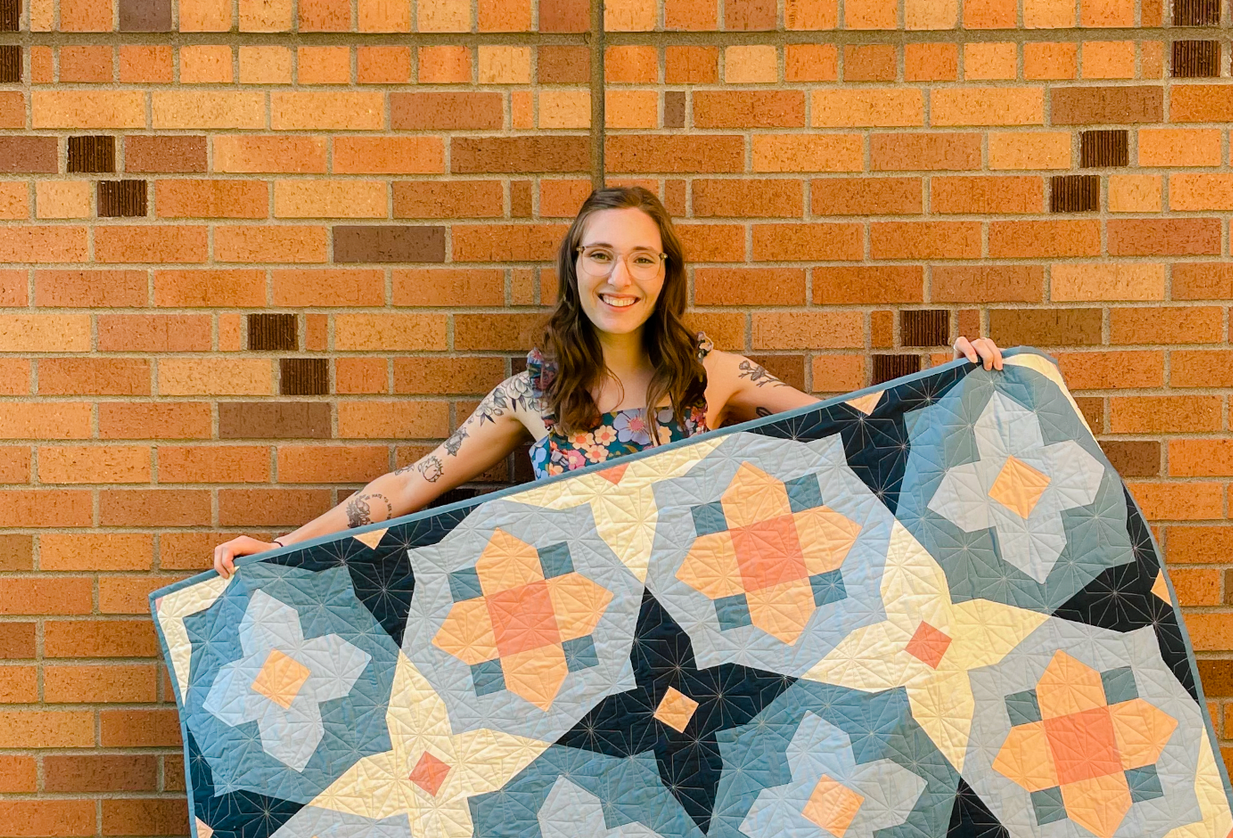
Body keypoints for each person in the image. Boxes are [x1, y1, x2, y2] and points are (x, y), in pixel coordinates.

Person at [213, 184, 1004, 576]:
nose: (618, 276)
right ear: (574, 268)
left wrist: (962, 381)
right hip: (572, 648)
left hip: (703, 632)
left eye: (640, 257)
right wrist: (280, 549)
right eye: (599, 255)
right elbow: (408, 486)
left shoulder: (715, 375)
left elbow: (859, 422)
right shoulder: (530, 398)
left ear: (664, 275)